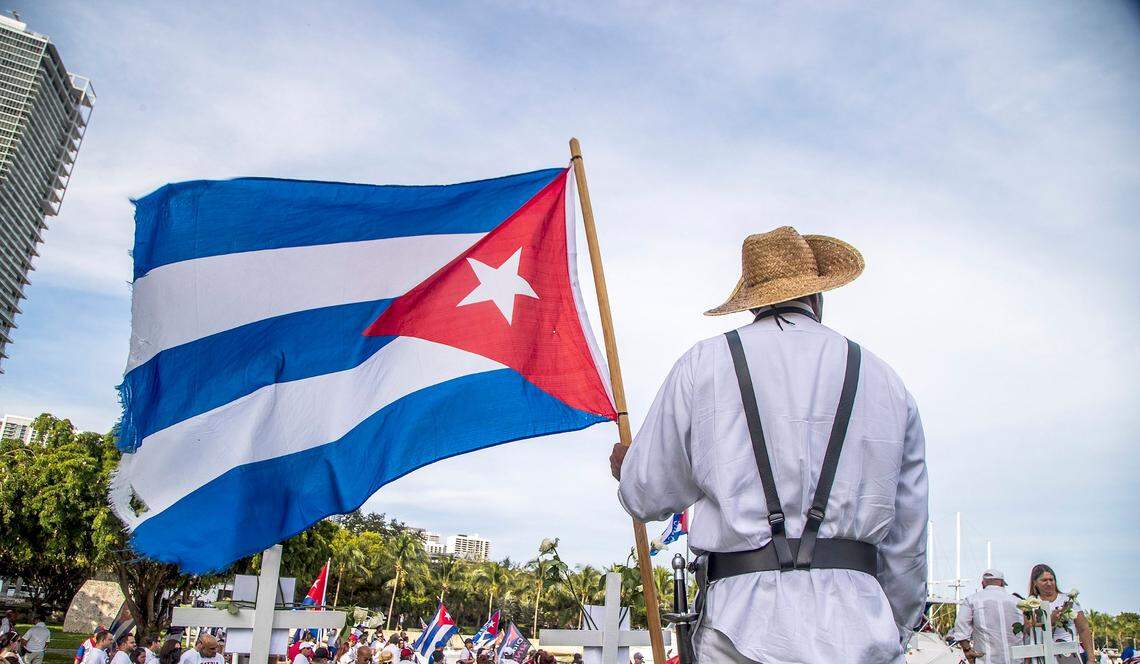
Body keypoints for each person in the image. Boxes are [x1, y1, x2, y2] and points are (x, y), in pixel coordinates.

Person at [612, 227, 929, 663]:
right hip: (860, 622)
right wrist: (893, 625)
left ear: (752, 301)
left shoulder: (704, 364)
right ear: (818, 296)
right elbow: (907, 538)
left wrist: (629, 468)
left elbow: (645, 495)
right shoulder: (885, 381)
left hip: (738, 625)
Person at [948, 569, 1021, 663]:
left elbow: (961, 625)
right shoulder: (1017, 602)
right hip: (1016, 660)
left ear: (983, 583)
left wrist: (967, 650)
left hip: (985, 660)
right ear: (1002, 583)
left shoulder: (971, 600)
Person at [1027, 564, 1096, 662]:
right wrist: (1050, 621)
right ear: (1035, 583)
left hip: (1070, 655)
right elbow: (1028, 630)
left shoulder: (1068, 600)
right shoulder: (1030, 604)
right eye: (1044, 580)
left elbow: (1083, 629)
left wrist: (1091, 658)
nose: (1049, 583)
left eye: (1051, 580)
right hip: (1043, 657)